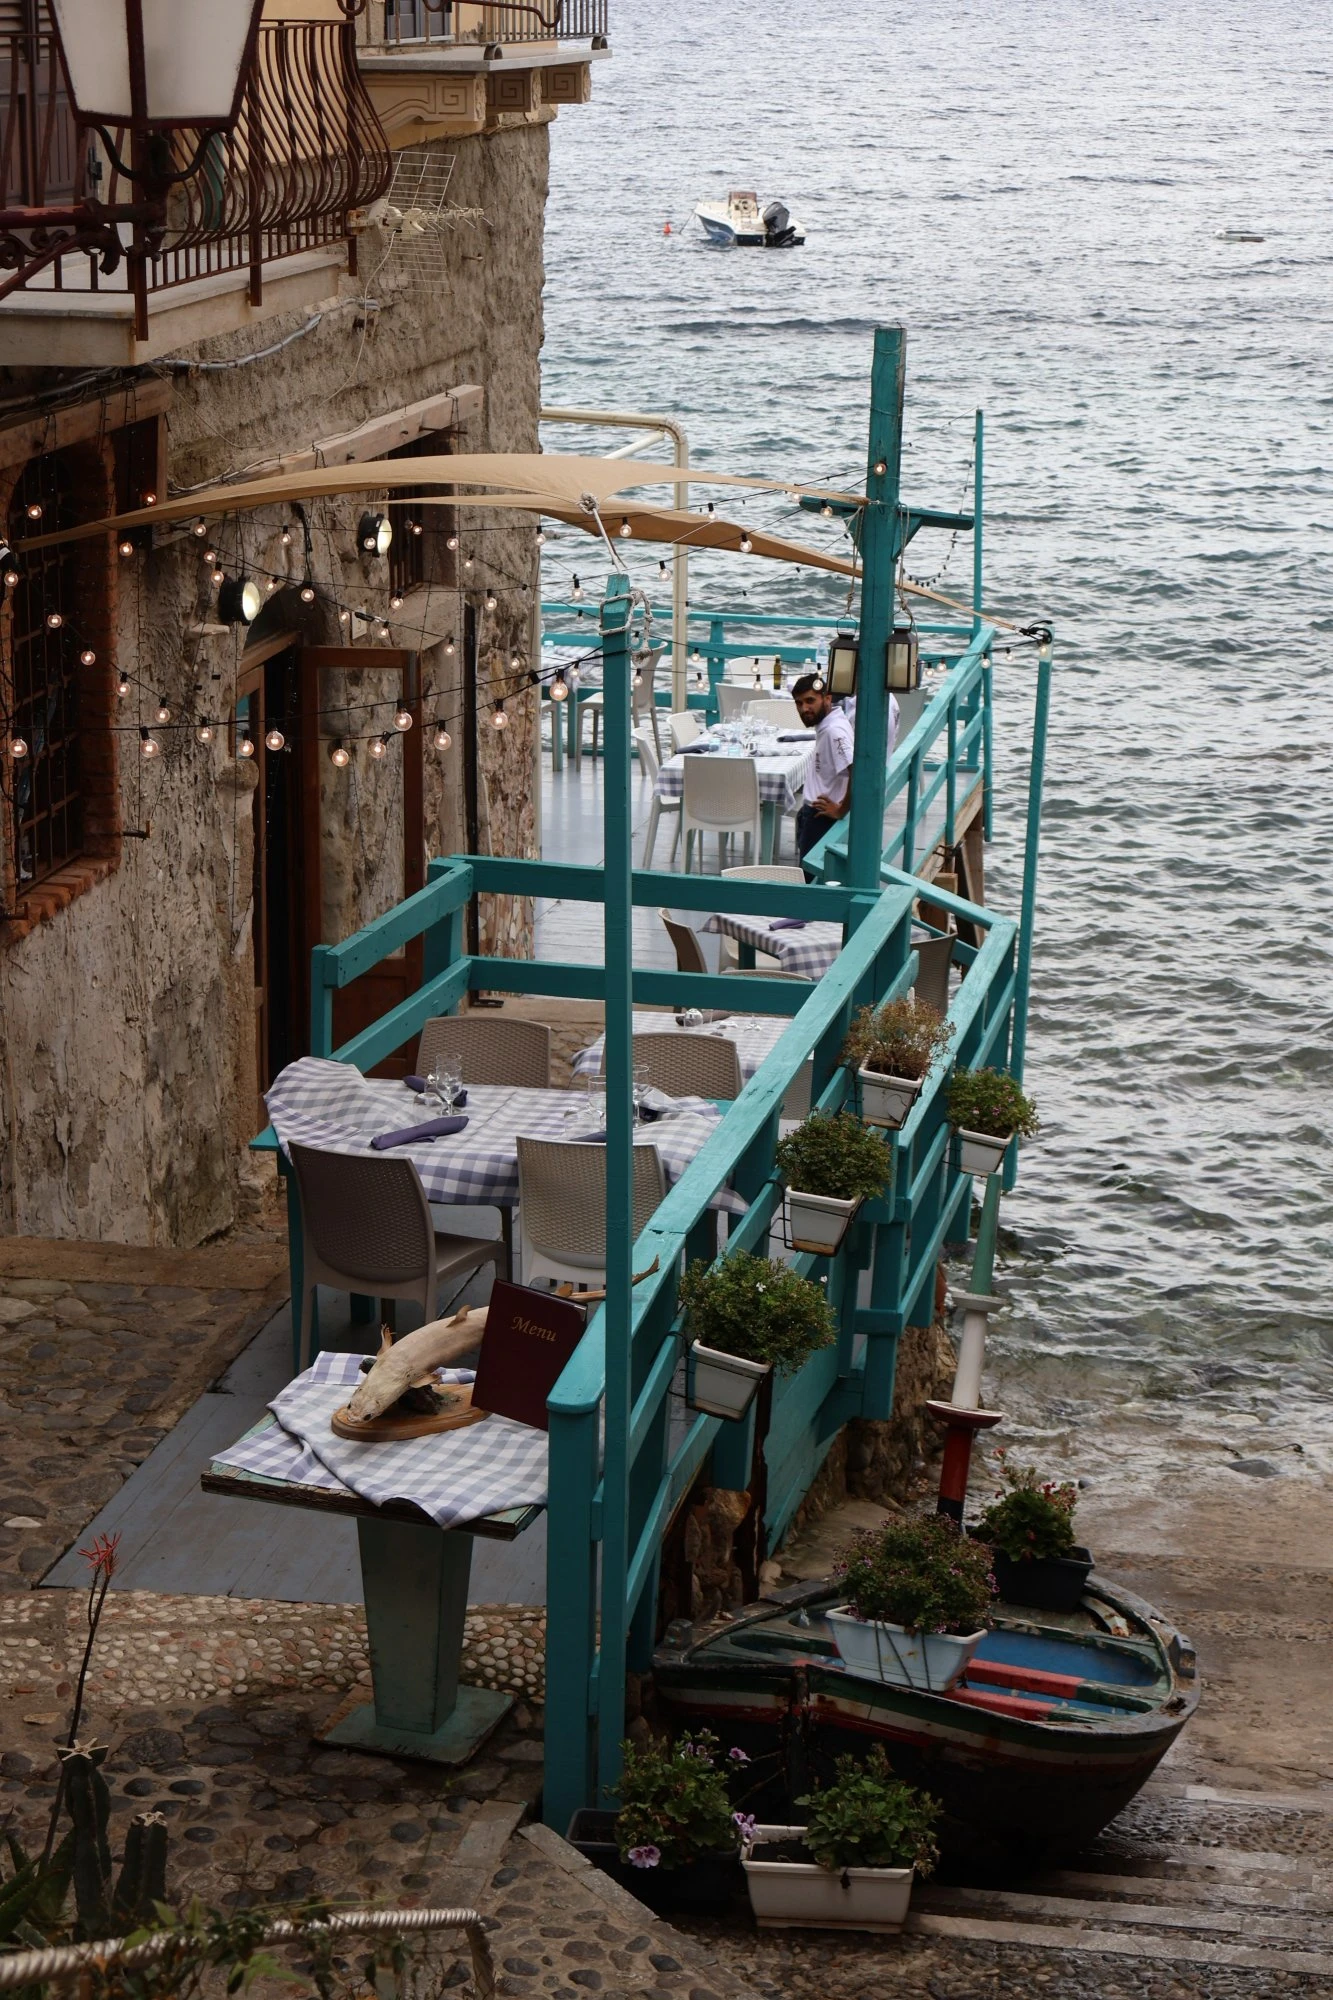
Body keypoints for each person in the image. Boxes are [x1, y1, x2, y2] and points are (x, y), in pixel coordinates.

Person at [792, 672, 855, 868]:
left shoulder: (833, 732)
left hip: (821, 818)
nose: (804, 708)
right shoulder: (830, 723)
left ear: (827, 698)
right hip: (814, 813)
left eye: (810, 701)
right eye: (799, 703)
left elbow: (857, 771)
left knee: (810, 879)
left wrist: (841, 810)